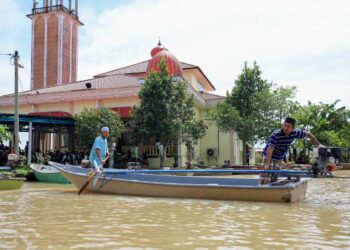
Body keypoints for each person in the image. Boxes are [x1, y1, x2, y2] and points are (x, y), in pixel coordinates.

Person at [261, 117, 323, 184]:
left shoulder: (295, 133)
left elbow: (308, 134)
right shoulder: (276, 134)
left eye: (288, 126)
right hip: (269, 156)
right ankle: (263, 188)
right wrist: (267, 164)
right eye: (285, 126)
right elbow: (270, 150)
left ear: (292, 128)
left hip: (279, 157)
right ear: (282, 125)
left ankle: (277, 189)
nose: (286, 128)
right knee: (266, 177)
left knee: (274, 177)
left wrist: (319, 145)